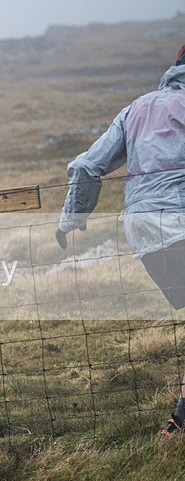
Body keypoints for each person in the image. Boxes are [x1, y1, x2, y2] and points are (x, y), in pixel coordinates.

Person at [56, 43, 185, 437]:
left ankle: (179, 420)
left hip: (143, 230)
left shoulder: (135, 109)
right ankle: (180, 419)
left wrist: (70, 219)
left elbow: (85, 165)